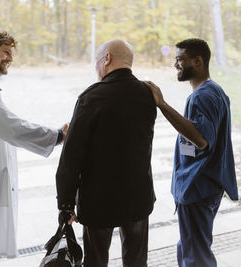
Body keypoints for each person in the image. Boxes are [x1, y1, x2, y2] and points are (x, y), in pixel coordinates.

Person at [0, 31, 68, 267]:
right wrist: (57, 136)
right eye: (5, 52)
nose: (10, 58)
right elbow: (10, 126)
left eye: (12, 53)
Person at [55, 39, 157, 267]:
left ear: (107, 59)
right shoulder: (148, 93)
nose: (96, 68)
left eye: (97, 62)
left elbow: (71, 158)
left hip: (99, 200)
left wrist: (65, 204)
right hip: (138, 197)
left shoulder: (92, 97)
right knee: (137, 261)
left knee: (96, 261)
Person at [144, 38, 238, 267]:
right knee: (190, 247)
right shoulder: (214, 90)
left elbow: (201, 139)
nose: (176, 64)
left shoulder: (203, 96)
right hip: (204, 186)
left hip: (199, 186)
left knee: (196, 256)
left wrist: (162, 105)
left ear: (198, 61)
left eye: (180, 59)